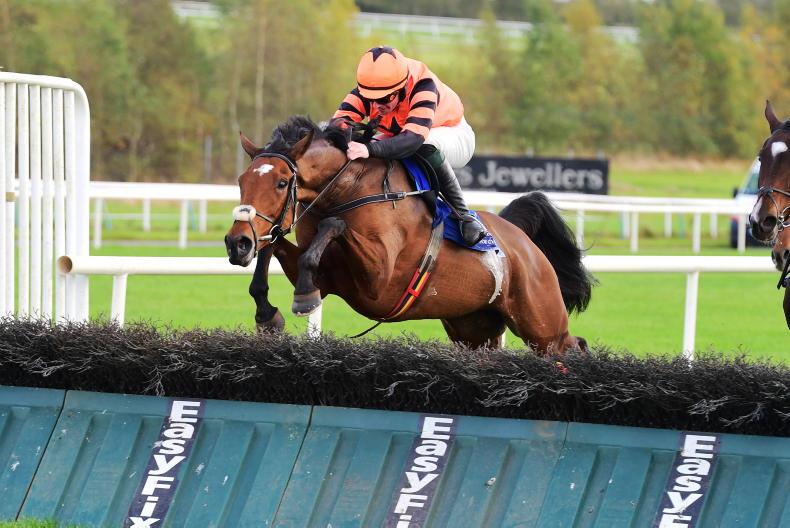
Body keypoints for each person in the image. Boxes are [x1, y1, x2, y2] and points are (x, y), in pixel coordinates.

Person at [331, 46, 487, 246]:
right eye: (371, 99)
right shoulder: (372, 87)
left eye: (384, 99)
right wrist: (347, 134)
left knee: (425, 144)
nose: (377, 105)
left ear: (402, 88)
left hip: (452, 133)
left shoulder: (423, 85)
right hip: (405, 134)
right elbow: (336, 124)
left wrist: (369, 149)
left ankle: (464, 215)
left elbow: (413, 139)